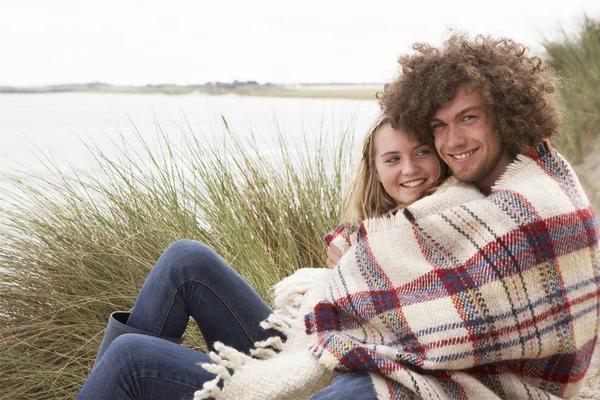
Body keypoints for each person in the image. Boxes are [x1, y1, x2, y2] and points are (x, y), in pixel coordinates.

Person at [302, 33, 599, 399]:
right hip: (442, 371)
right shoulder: (471, 196)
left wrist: (355, 263)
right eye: (439, 126)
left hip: (499, 388)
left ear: (505, 115)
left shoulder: (536, 207)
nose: (452, 141)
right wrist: (356, 249)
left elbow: (448, 321)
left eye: (468, 118)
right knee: (205, 264)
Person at [77, 116, 451, 400]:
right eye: (392, 158)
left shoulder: (454, 220)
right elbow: (350, 244)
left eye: (421, 152)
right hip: (300, 351)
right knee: (185, 259)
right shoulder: (383, 223)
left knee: (129, 358)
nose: (410, 168)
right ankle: (106, 384)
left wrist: (351, 269)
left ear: (440, 154)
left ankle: (111, 382)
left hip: (330, 376)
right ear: (376, 170)